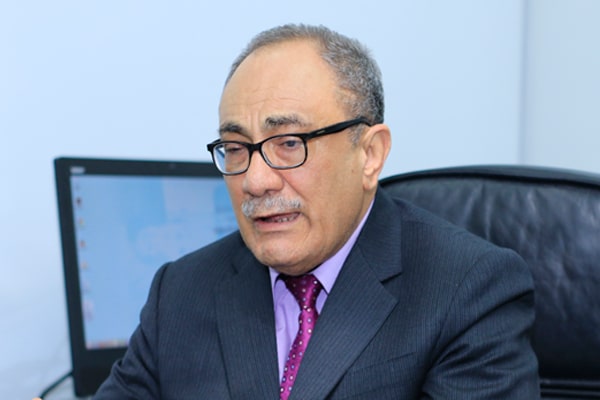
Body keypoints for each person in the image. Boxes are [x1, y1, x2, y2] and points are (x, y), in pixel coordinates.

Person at [94, 24, 540, 399]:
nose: (255, 180)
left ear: (369, 154)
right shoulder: (181, 291)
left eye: (289, 143)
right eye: (236, 148)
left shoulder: (468, 290)